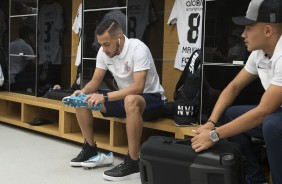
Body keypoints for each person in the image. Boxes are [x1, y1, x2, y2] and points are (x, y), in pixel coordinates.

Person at [191, 0, 282, 184]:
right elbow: (233, 87)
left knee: (271, 124)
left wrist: (214, 135)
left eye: (248, 28)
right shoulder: (259, 53)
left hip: (274, 116)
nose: (242, 34)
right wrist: (211, 123)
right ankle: (256, 179)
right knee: (229, 114)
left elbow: (263, 112)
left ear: (267, 31)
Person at [68, 19, 166, 181]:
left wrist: (105, 96)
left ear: (119, 38)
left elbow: (138, 87)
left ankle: (134, 161)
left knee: (131, 99)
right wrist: (83, 91)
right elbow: (95, 81)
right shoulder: (103, 52)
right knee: (83, 99)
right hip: (124, 97)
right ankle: (90, 148)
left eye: (107, 44)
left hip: (151, 99)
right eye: (101, 44)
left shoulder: (138, 48)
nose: (104, 49)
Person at [9, 25, 36, 92]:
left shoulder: (10, 44)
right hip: (15, 80)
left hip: (8, 78)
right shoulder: (26, 47)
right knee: (38, 79)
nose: (34, 39)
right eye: (34, 37)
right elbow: (35, 67)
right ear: (30, 36)